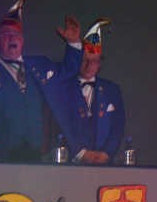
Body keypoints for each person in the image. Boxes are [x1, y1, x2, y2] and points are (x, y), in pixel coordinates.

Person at [0, 0, 82, 163]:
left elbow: (68, 71)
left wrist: (73, 43)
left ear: (22, 40)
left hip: (35, 151)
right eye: (5, 35)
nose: (11, 38)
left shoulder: (40, 66)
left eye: (16, 35)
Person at [44, 18, 125, 164]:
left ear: (100, 63)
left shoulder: (112, 90)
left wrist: (106, 154)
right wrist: (80, 154)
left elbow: (117, 127)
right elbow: (57, 125)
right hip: (68, 163)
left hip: (103, 164)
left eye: (94, 61)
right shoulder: (62, 88)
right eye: (84, 60)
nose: (89, 66)